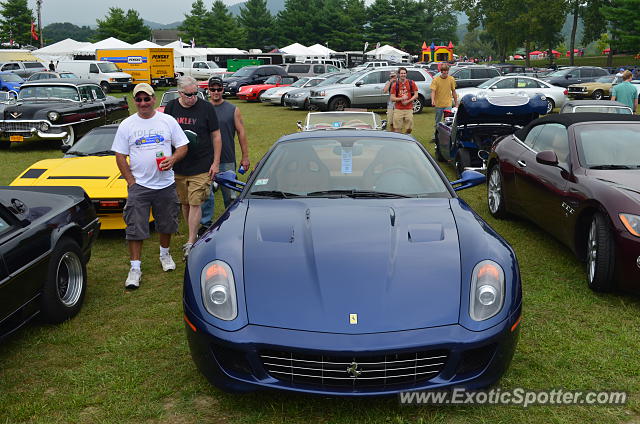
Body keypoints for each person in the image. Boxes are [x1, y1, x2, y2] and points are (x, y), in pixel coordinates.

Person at [112, 83, 189, 290]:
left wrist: (172, 159)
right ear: (134, 101)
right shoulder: (127, 125)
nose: (143, 103)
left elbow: (183, 146)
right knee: (135, 227)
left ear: (154, 99)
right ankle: (135, 268)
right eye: (139, 99)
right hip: (140, 186)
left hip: (165, 184)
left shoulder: (167, 121)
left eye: (147, 99)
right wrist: (130, 181)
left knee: (167, 223)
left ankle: (165, 254)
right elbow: (119, 156)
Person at [164, 76, 221, 259]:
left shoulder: (206, 108)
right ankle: (193, 233)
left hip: (202, 164)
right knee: (185, 203)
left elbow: (216, 136)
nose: (193, 97)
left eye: (195, 93)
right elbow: (166, 134)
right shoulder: (171, 107)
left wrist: (216, 162)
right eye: (188, 94)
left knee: (196, 202)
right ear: (180, 93)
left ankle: (190, 241)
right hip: (179, 166)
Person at [200, 76, 250, 229]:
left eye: (219, 89)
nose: (216, 92)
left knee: (230, 194)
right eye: (213, 89)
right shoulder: (203, 108)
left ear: (223, 90)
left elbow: (241, 133)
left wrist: (245, 157)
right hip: (206, 160)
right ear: (208, 90)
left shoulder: (233, 109)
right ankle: (205, 223)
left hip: (227, 158)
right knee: (206, 194)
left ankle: (231, 220)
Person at [430, 63, 458, 141]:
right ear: (441, 71)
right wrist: (432, 100)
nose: (445, 72)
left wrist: (456, 103)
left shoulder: (451, 79)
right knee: (438, 121)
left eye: (446, 71)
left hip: (448, 103)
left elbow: (453, 91)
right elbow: (433, 91)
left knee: (448, 121)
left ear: (448, 71)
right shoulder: (436, 79)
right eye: (443, 71)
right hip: (438, 104)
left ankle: (448, 137)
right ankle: (435, 136)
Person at [389, 67, 418, 134]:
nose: (403, 75)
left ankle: (407, 137)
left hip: (409, 108)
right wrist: (401, 99)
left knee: (409, 128)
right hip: (398, 109)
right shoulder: (395, 85)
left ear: (406, 74)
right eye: (401, 73)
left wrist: (408, 101)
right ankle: (399, 141)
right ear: (399, 74)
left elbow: (416, 95)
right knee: (397, 128)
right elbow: (392, 98)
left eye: (404, 73)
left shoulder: (411, 83)